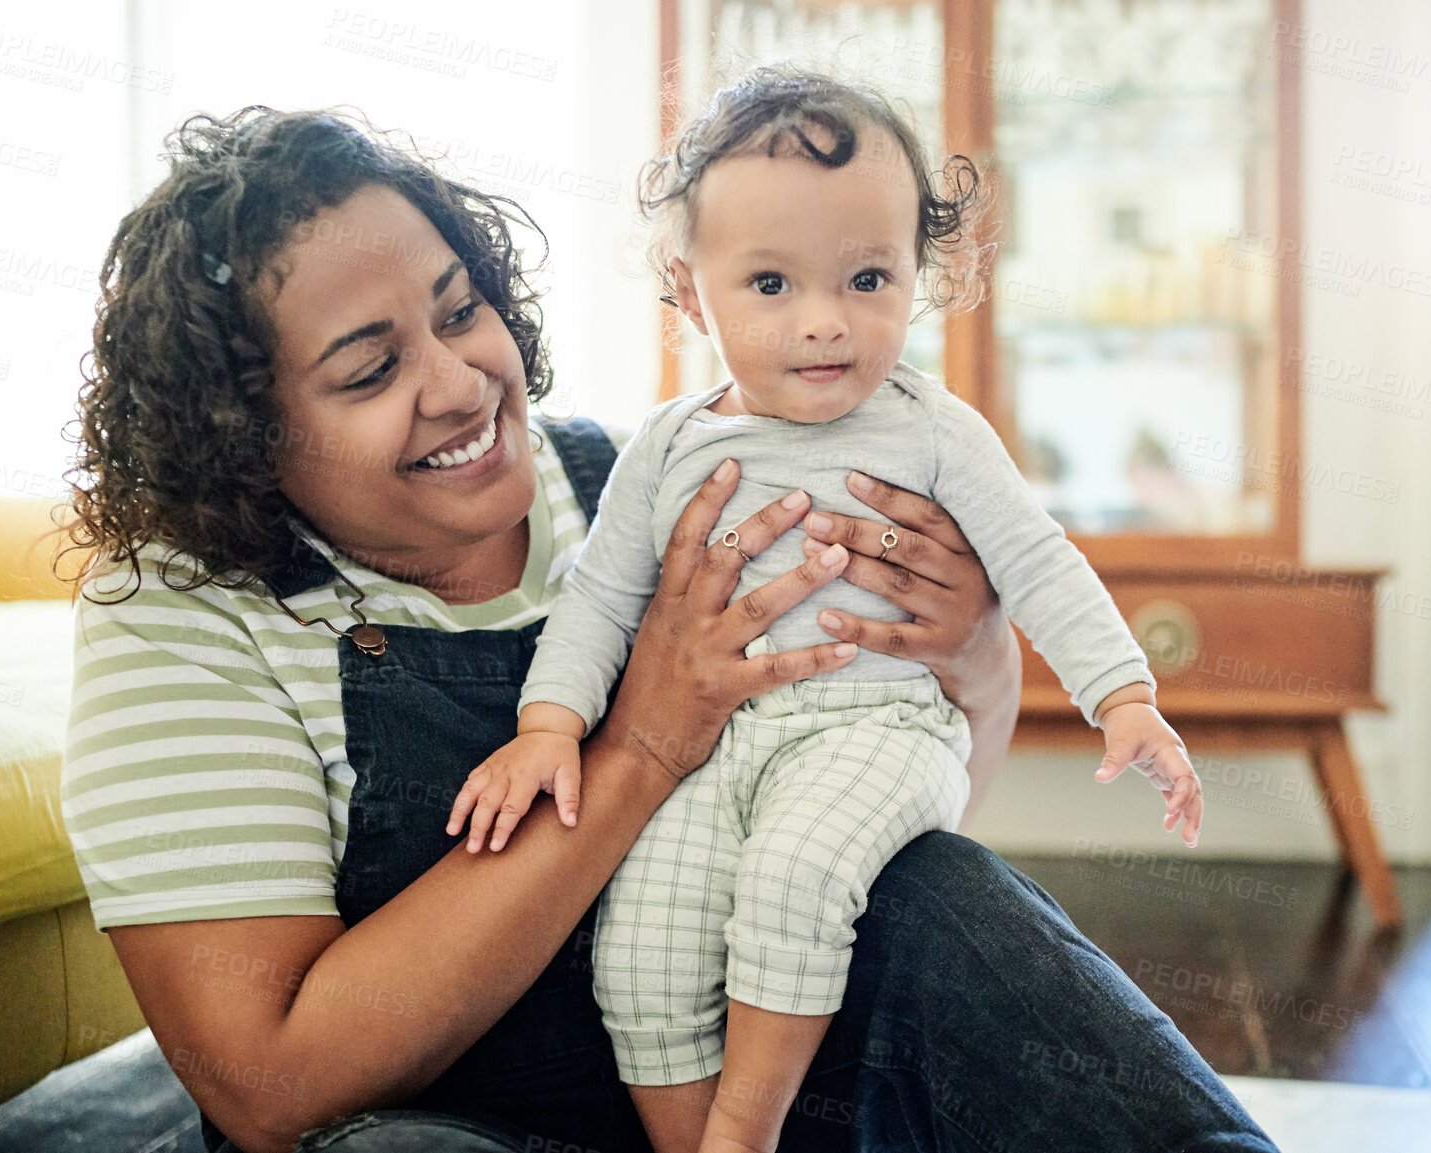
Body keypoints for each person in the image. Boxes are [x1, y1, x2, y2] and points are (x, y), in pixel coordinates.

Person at [59, 104, 1276, 1153]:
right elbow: (272, 1086)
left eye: (460, 307)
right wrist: (642, 740)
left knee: (927, 891)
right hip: (433, 1125)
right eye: (369, 372)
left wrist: (971, 656)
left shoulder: (653, 487)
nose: (461, 382)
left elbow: (893, 800)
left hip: (741, 1089)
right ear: (241, 432)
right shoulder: (181, 615)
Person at [444, 68, 1207, 1153]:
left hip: (881, 728)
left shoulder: (932, 430)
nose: (822, 324)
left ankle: (741, 1136)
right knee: (640, 946)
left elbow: (1037, 561)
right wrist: (547, 726)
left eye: (865, 278)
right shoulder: (665, 447)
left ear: (917, 276)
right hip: (715, 750)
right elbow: (603, 600)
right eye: (768, 284)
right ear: (685, 288)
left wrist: (1122, 696)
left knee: (794, 883)